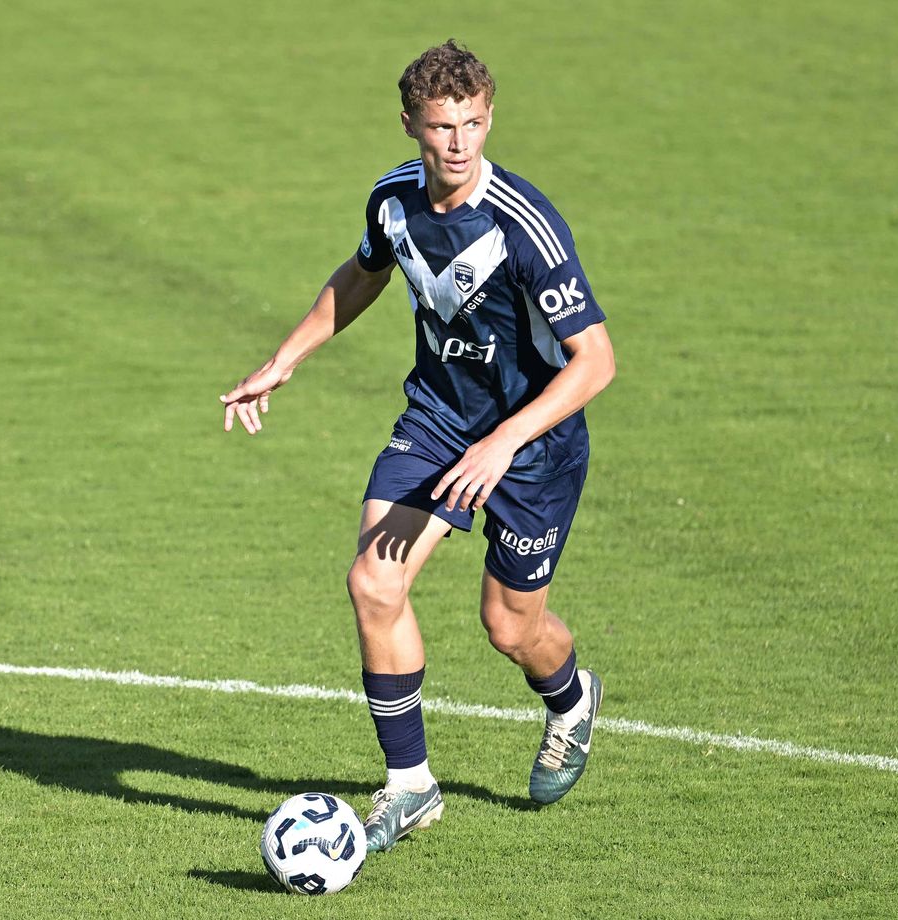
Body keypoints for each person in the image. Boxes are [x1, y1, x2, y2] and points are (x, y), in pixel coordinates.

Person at [220, 39, 616, 854]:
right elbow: (366, 271)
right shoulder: (394, 200)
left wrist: (505, 442)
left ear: (490, 117)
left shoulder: (526, 227)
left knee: (510, 629)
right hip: (437, 421)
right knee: (374, 581)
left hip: (533, 443)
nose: (460, 143)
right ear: (411, 125)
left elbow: (597, 360)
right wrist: (282, 360)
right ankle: (411, 786)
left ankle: (572, 702)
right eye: (442, 127)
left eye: (473, 123)